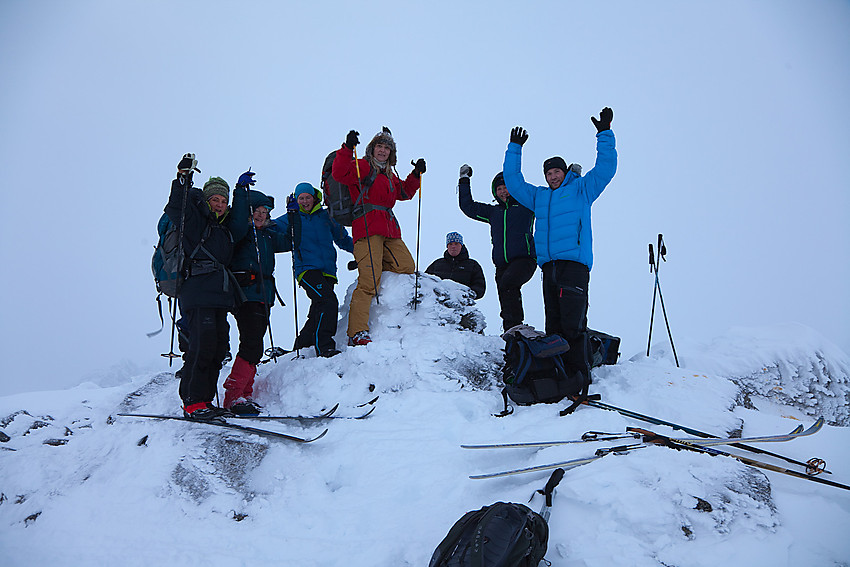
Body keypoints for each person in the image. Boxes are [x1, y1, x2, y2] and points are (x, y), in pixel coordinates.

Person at [502, 107, 617, 387]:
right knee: (553, 324)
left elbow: (605, 169)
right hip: (549, 267)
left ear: (564, 172)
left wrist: (604, 133)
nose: (552, 176)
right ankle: (559, 374)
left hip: (574, 267)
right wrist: (514, 149)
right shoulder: (540, 197)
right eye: (549, 173)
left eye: (557, 172)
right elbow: (514, 183)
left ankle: (579, 376)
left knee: (572, 324)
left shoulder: (581, 190)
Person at [165, 153, 246, 421]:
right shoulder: (196, 222)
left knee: (217, 347)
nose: (220, 205)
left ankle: (205, 402)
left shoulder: (221, 230)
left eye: (224, 201)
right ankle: (193, 401)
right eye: (215, 200)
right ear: (206, 201)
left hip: (218, 297)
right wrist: (183, 179)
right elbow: (177, 207)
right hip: (198, 294)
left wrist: (242, 193)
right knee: (201, 347)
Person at [331, 127, 425, 346]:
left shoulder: (390, 175)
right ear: (372, 149)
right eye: (379, 146)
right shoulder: (363, 167)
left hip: (389, 230)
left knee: (406, 265)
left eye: (387, 148)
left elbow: (405, 193)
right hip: (367, 228)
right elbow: (339, 173)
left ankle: (370, 261)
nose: (382, 151)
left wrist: (415, 175)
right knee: (369, 283)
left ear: (392, 153)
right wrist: (347, 148)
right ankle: (357, 332)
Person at [222, 172, 292, 415]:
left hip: (263, 295)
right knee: (251, 343)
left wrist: (293, 215)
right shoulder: (240, 233)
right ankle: (233, 395)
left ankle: (245, 393)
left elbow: (291, 241)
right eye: (257, 212)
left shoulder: (268, 236)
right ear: (249, 213)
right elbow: (239, 219)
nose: (262, 216)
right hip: (245, 295)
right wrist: (241, 192)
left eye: (265, 213)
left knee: (255, 344)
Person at [273, 182, 354, 357]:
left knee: (318, 309)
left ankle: (301, 347)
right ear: (296, 199)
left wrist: (360, 250)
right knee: (328, 302)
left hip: (328, 271)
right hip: (307, 269)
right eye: (300, 198)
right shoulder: (291, 217)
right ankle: (324, 347)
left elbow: (342, 239)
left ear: (314, 198)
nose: (304, 201)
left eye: (307, 197)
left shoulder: (326, 216)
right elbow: (270, 227)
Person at [457, 165, 537, 330]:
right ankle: (511, 332)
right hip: (502, 265)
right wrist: (464, 180)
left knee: (508, 284)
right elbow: (468, 207)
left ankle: (516, 327)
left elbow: (551, 200)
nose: (503, 192)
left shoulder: (526, 207)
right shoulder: (494, 212)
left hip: (525, 259)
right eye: (499, 189)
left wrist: (571, 178)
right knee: (505, 294)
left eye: (505, 187)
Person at [425, 232, 486, 299]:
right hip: (438, 305)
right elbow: (425, 281)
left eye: (456, 244)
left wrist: (470, 294)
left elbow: (479, 285)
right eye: (450, 244)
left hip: (462, 305)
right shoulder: (437, 264)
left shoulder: (472, 265)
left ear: (461, 246)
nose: (453, 246)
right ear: (447, 246)